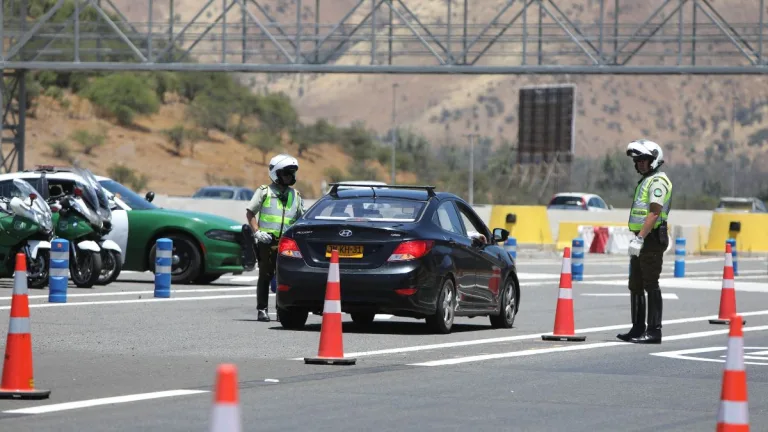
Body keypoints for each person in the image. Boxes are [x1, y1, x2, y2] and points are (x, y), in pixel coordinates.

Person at [616, 139, 672, 344]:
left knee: (651, 284)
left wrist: (640, 239)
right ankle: (637, 328)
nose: (640, 164)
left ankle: (654, 331)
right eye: (638, 161)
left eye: (644, 160)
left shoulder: (658, 181)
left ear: (654, 160)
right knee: (636, 285)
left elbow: (655, 213)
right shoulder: (647, 180)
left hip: (651, 239)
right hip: (641, 239)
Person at [246, 154, 305, 322]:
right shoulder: (264, 192)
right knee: (265, 275)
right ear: (276, 173)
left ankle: (282, 310)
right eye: (287, 173)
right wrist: (257, 232)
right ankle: (262, 309)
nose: (291, 177)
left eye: (292, 173)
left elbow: (302, 218)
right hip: (267, 241)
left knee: (285, 277)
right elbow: (250, 212)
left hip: (288, 244)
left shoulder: (296, 195)